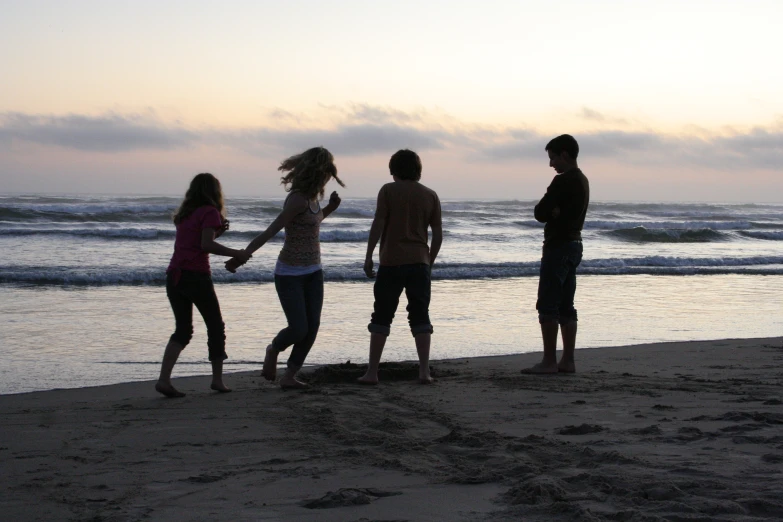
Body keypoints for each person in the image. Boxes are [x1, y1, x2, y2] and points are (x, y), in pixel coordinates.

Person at [225, 147, 344, 389]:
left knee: (313, 327)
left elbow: (312, 222)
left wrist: (330, 208)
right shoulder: (297, 199)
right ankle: (274, 349)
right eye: (325, 173)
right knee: (299, 327)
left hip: (314, 272)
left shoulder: (311, 200)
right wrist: (243, 255)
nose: (327, 178)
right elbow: (272, 229)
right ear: (316, 173)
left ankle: (289, 375)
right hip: (290, 273)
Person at [155, 173, 252, 398]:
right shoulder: (209, 211)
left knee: (183, 329)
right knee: (215, 326)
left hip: (174, 275)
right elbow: (205, 245)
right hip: (196, 276)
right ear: (215, 191)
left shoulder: (184, 214)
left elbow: (194, 242)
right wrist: (235, 252)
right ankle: (217, 380)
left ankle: (163, 380)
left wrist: (219, 232)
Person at [358, 149, 443, 385]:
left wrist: (368, 255)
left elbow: (379, 223)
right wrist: (430, 260)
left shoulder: (387, 190)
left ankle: (372, 372)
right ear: (418, 170)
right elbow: (437, 234)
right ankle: (424, 371)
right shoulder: (431, 195)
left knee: (382, 314)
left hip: (391, 261)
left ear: (393, 170)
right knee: (420, 314)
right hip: (419, 262)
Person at [523, 134, 590, 374]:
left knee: (548, 303)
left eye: (552, 158)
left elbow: (540, 212)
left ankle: (549, 361)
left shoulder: (561, 181)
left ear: (564, 154)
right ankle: (568, 360)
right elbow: (549, 211)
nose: (551, 164)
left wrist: (553, 211)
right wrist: (555, 211)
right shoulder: (582, 180)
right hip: (574, 243)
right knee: (566, 304)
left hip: (558, 245)